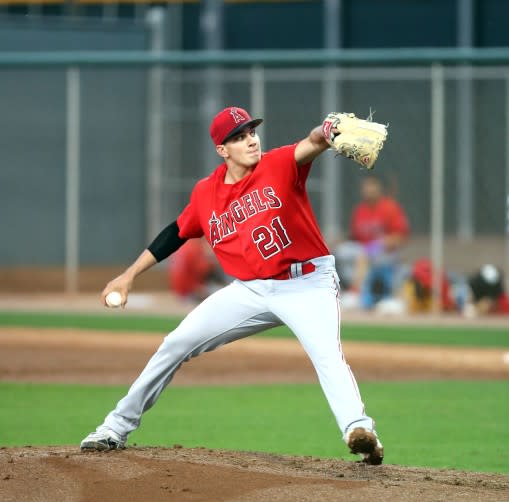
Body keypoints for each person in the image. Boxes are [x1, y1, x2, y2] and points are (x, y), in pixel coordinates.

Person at [80, 106, 384, 465]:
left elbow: (313, 141)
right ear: (222, 150)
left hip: (307, 284)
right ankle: (114, 428)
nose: (251, 140)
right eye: (239, 137)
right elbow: (174, 235)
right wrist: (129, 275)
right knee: (175, 343)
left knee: (327, 356)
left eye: (251, 132)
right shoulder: (206, 193)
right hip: (251, 290)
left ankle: (358, 430)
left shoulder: (278, 163)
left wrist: (329, 130)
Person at [335, 175, 409, 309]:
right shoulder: (360, 210)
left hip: (386, 253)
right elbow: (354, 238)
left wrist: (377, 245)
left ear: (379, 188)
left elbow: (399, 237)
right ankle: (343, 291)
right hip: (364, 253)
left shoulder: (390, 207)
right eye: (366, 187)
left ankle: (356, 294)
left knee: (363, 255)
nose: (368, 190)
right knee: (341, 252)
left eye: (372, 186)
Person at [167, 237, 225, 303]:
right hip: (189, 293)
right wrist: (213, 261)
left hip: (178, 290)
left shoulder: (186, 245)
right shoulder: (196, 248)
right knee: (223, 292)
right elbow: (203, 269)